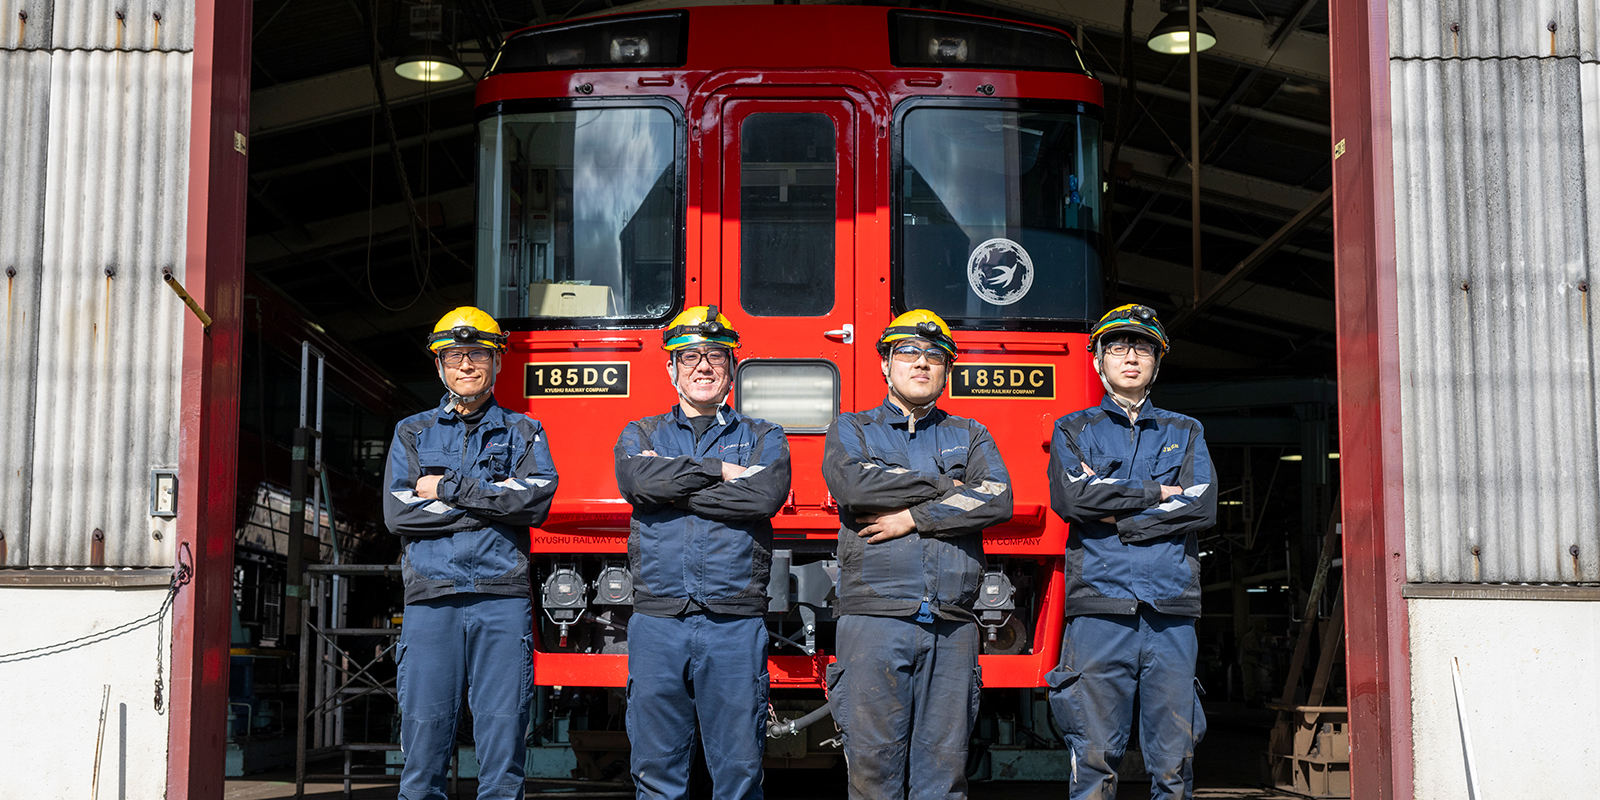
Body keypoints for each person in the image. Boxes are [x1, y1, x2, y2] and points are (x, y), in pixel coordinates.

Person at [821, 309, 1013, 800]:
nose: (921, 362)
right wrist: (945, 486)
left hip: (952, 624)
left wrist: (913, 517)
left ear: (947, 370)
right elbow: (854, 486)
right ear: (885, 364)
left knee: (944, 776)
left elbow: (996, 497)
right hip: (875, 620)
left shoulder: (970, 433)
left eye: (934, 355)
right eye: (907, 352)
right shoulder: (852, 428)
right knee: (873, 772)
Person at [614, 305, 791, 800]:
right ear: (671, 369)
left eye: (716, 355)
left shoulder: (764, 435)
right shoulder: (640, 433)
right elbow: (636, 482)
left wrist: (672, 487)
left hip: (733, 622)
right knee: (656, 771)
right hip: (659, 621)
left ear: (732, 367)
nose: (704, 366)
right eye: (690, 357)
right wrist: (720, 471)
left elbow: (763, 497)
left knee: (739, 773)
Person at [383, 307, 559, 800]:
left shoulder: (525, 432)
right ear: (439, 364)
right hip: (431, 600)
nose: (466, 364)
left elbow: (535, 503)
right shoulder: (412, 432)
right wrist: (492, 504)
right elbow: (399, 514)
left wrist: (448, 490)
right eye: (454, 355)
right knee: (423, 744)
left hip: (501, 600)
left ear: (497, 361)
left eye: (478, 354)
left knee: (503, 744)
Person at [1044, 303, 1217, 800]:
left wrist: (1121, 519)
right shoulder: (1073, 430)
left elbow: (1202, 505)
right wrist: (1156, 493)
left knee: (1174, 760)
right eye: (1117, 347)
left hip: (1170, 609)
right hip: (1101, 608)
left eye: (1142, 348)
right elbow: (1073, 499)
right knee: (1094, 756)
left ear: (1157, 361)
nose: (1130, 356)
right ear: (1098, 360)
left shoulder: (1185, 431)